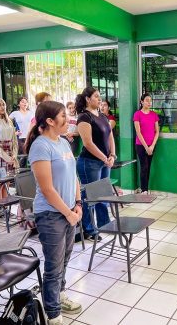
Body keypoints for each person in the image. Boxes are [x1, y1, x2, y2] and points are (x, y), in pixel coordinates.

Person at [25, 101, 83, 325]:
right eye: (63, 115)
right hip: (51, 215)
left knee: (65, 259)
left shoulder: (63, 143)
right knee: (53, 266)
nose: (68, 119)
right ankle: (53, 314)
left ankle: (59, 295)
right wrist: (68, 214)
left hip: (69, 211)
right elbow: (47, 189)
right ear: (49, 121)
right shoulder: (41, 146)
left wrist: (77, 203)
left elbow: (74, 176)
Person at [76, 87, 116, 241]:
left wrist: (111, 155)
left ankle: (104, 224)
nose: (100, 99)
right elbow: (88, 143)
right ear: (87, 99)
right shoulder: (84, 117)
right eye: (96, 97)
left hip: (105, 162)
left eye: (100, 97)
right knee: (89, 197)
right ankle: (89, 229)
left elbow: (110, 137)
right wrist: (104, 158)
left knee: (103, 194)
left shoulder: (101, 116)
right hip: (89, 163)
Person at [133, 93, 160, 194]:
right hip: (140, 146)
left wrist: (152, 146)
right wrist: (146, 147)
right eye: (147, 100)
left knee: (148, 167)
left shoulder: (154, 114)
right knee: (144, 167)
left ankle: (146, 189)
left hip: (152, 146)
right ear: (142, 101)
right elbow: (138, 132)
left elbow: (157, 131)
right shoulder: (137, 114)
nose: (149, 102)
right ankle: (144, 190)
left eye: (150, 100)